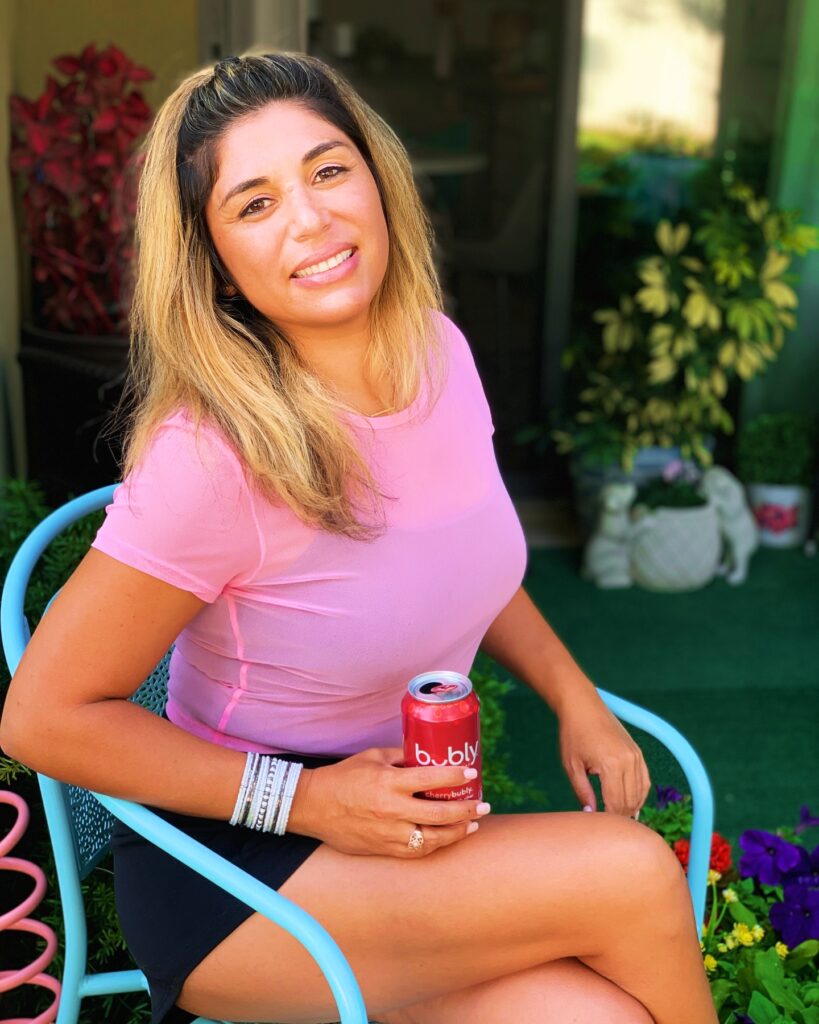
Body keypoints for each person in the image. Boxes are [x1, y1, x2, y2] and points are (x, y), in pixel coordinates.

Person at [0, 52, 718, 1024]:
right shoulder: (213, 457)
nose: (310, 218)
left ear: (378, 181)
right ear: (213, 258)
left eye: (328, 170)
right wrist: (306, 803)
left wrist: (573, 694)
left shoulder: (441, 355)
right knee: (629, 872)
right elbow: (42, 718)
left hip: (392, 832)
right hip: (235, 866)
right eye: (254, 204)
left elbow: (458, 562)